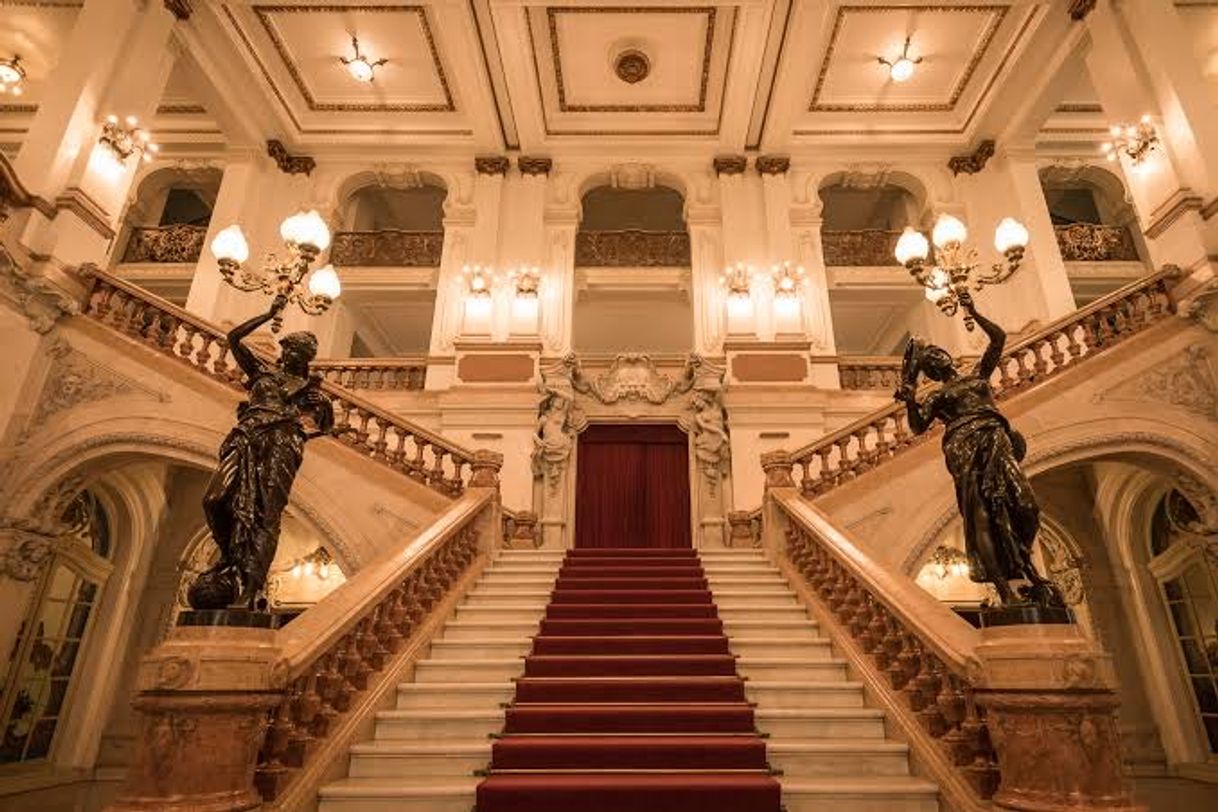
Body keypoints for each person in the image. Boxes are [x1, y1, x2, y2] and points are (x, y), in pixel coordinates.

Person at [894, 294, 1063, 609]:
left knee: (1026, 505)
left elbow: (997, 339)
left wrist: (972, 311)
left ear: (947, 356)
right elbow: (918, 427)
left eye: (937, 352)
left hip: (996, 438)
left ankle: (1021, 560)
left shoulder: (977, 376)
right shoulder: (938, 397)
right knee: (980, 515)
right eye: (929, 359)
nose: (935, 357)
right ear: (929, 371)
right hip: (963, 446)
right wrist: (910, 398)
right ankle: (1004, 588)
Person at [189, 294, 334, 611]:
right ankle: (229, 557)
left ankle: (250, 586)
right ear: (285, 351)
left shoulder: (312, 392)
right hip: (245, 437)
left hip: (281, 443)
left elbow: (326, 426)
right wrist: (268, 314)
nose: (294, 355)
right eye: (291, 349)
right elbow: (233, 338)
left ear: (307, 357)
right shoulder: (262, 373)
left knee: (267, 515)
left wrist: (300, 435)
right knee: (214, 499)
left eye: (301, 353)